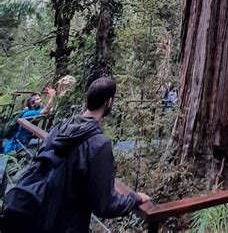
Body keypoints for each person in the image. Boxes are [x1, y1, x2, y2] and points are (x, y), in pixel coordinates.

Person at [1, 77, 150, 232]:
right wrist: (135, 198)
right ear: (109, 102)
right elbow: (105, 205)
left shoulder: (61, 127)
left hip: (41, 213)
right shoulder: (100, 144)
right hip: (67, 225)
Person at [3, 89, 55, 154]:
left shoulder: (36, 111)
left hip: (24, 142)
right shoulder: (28, 114)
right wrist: (52, 96)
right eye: (38, 100)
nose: (41, 102)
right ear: (32, 103)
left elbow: (49, 110)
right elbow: (46, 110)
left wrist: (51, 98)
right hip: (14, 146)